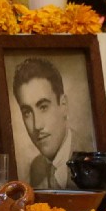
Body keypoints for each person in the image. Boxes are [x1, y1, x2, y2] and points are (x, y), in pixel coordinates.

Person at [12, 58, 93, 189]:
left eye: (43, 107)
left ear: (63, 105)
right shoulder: (36, 168)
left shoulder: (92, 155)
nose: (37, 125)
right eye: (27, 112)